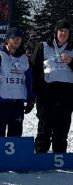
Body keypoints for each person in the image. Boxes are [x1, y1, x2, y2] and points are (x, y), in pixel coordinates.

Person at [0, 27, 35, 137]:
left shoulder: (25, 59)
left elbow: (30, 80)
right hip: (0, 103)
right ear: (7, 40)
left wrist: (31, 99)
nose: (17, 40)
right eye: (13, 37)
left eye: (19, 38)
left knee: (15, 137)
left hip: (17, 104)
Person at [32, 19, 73, 153]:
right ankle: (41, 157)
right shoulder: (43, 46)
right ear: (56, 32)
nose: (63, 33)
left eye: (66, 31)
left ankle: (59, 158)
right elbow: (35, 70)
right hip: (46, 94)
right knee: (44, 128)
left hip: (66, 95)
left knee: (61, 130)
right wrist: (36, 93)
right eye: (61, 30)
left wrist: (71, 62)